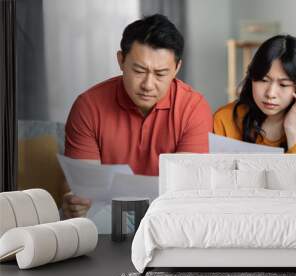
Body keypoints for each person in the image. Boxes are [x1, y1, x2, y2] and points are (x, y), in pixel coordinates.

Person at [62, 14, 213, 218]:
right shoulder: (88, 107)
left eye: (160, 74)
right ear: (121, 60)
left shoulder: (193, 108)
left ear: (177, 68)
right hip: (105, 225)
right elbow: (87, 188)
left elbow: (183, 190)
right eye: (139, 70)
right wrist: (78, 203)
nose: (148, 85)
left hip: (169, 221)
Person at [214, 34, 296, 195]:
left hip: (294, 212)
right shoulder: (224, 118)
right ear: (251, 78)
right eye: (263, 80)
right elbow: (215, 186)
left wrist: (291, 129)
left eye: (283, 84)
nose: (271, 93)